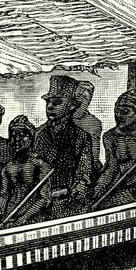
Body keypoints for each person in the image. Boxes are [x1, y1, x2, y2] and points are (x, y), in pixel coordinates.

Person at [34, 75, 95, 217]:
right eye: (48, 102)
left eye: (57, 102)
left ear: (71, 105)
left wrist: (68, 191)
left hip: (69, 203)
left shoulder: (80, 137)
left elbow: (84, 176)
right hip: (39, 203)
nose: (50, 106)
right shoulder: (38, 134)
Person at [92, 90, 136, 209]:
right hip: (117, 185)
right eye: (117, 111)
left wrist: (126, 184)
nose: (119, 116)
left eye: (125, 112)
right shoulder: (110, 136)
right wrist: (99, 188)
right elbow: (111, 168)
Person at [0, 115, 52, 229]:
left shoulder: (40, 165)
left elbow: (44, 199)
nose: (17, 139)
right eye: (13, 136)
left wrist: (22, 220)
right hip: (10, 218)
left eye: (22, 135)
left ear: (31, 139)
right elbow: (3, 196)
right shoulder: (8, 168)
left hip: (33, 220)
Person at [71, 80, 103, 170]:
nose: (81, 101)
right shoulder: (60, 117)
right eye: (78, 96)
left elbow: (94, 156)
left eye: (86, 97)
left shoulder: (94, 123)